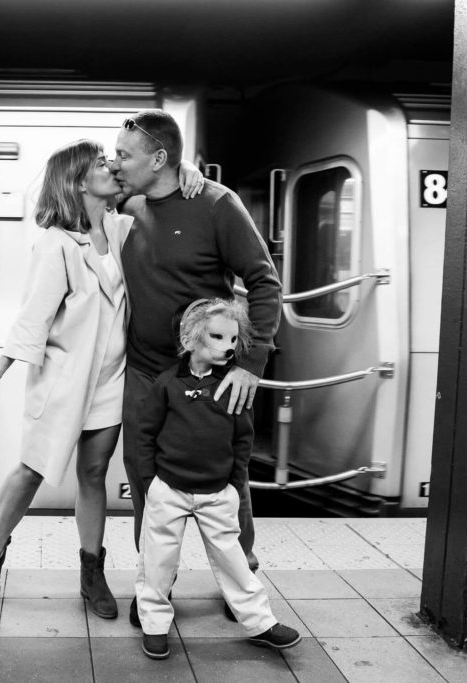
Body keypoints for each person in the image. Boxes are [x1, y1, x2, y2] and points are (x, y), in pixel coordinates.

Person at [0, 139, 204, 620]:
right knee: (32, 470)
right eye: (101, 163)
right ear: (78, 181)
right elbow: (34, 315)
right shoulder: (56, 243)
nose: (111, 165)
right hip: (61, 380)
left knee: (93, 474)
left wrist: (190, 172)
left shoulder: (121, 228)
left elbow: (158, 190)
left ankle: (91, 571)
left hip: (111, 380)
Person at [111, 109, 282, 626]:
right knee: (145, 478)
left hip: (210, 373)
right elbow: (81, 185)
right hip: (146, 372)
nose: (116, 163)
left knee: (229, 477)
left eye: (125, 155)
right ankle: (153, 591)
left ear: (160, 158)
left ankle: (242, 579)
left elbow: (264, 283)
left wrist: (249, 364)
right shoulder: (130, 201)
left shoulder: (216, 204)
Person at [134, 298, 300, 659]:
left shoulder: (233, 386)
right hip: (169, 490)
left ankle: (261, 622)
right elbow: (144, 435)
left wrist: (233, 482)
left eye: (232, 339)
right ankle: (155, 625)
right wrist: (152, 483)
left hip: (217, 491)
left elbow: (244, 437)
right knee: (157, 561)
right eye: (217, 336)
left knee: (234, 560)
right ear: (190, 338)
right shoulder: (167, 384)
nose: (228, 346)